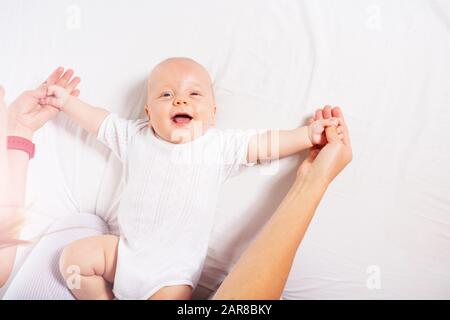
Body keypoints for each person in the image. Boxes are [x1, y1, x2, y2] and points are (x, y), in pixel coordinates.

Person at [0, 69, 352, 300]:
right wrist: (67, 103)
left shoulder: (218, 146)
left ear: (214, 113)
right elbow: (98, 121)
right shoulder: (134, 136)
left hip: (170, 276)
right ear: (148, 113)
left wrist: (307, 135)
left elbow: (265, 144)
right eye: (165, 95)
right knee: (73, 260)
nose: (180, 99)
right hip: (123, 254)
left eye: (194, 94)